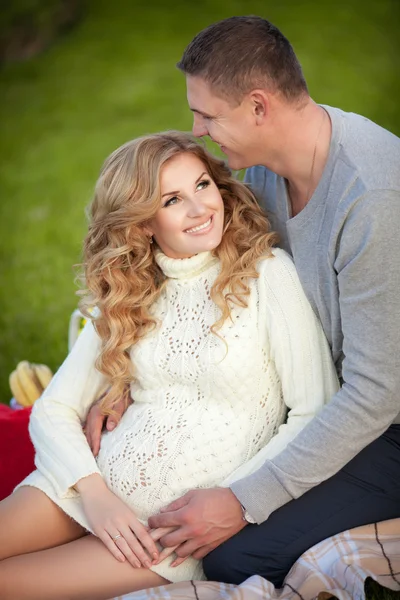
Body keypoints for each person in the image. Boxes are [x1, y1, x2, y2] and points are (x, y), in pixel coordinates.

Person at [87, 15, 400, 589]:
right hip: (311, 394)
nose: (198, 129)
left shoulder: (374, 200)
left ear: (259, 107)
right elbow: (191, 272)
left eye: (208, 114)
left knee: (233, 558)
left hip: (387, 422)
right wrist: (118, 374)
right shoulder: (260, 174)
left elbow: (379, 392)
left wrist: (245, 499)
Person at [0, 131, 339, 599]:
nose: (201, 208)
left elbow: (313, 411)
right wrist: (96, 496)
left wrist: (238, 500)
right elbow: (54, 409)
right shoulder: (132, 291)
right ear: (141, 224)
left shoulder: (267, 275)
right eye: (173, 199)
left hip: (163, 536)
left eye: (203, 185)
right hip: (80, 490)